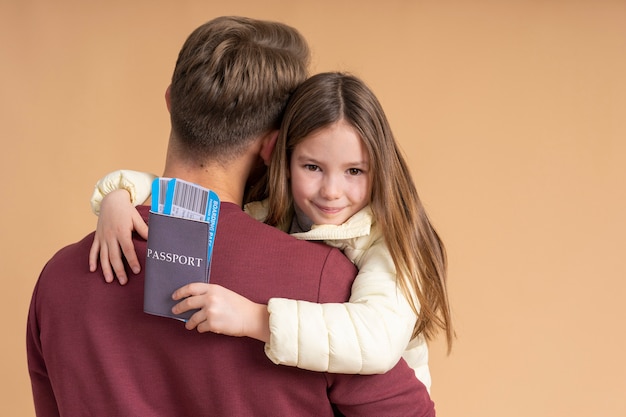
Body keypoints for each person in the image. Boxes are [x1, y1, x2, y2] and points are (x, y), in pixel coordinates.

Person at [27, 16, 436, 416]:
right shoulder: (327, 285)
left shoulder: (57, 279)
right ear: (276, 147)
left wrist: (117, 195)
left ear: (171, 101)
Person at [89, 73, 454, 391]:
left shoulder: (388, 241)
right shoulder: (269, 207)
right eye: (313, 166)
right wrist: (118, 195)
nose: (331, 190)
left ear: (381, 169)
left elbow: (376, 339)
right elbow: (192, 187)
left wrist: (255, 318)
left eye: (354, 171)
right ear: (285, 159)